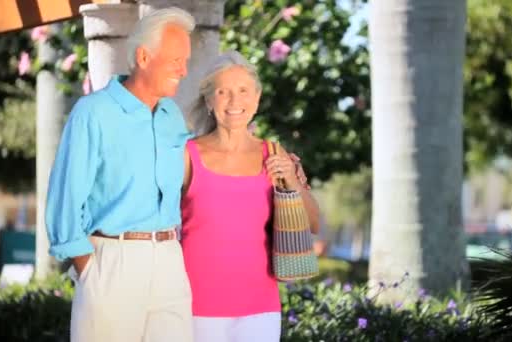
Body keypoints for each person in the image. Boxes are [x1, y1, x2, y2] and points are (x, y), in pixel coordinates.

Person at [45, 7, 195, 342]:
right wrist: (89, 269)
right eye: (176, 60)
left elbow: (194, 172)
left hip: (170, 260)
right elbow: (65, 198)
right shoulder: (93, 112)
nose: (184, 71)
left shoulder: (171, 115)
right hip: (113, 261)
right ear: (144, 57)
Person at [180, 50, 321, 341]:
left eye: (243, 91)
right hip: (194, 306)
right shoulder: (186, 155)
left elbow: (314, 224)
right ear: (209, 100)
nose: (234, 102)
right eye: (223, 92)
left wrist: (293, 180)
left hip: (260, 308)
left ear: (256, 100)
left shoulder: (274, 153)